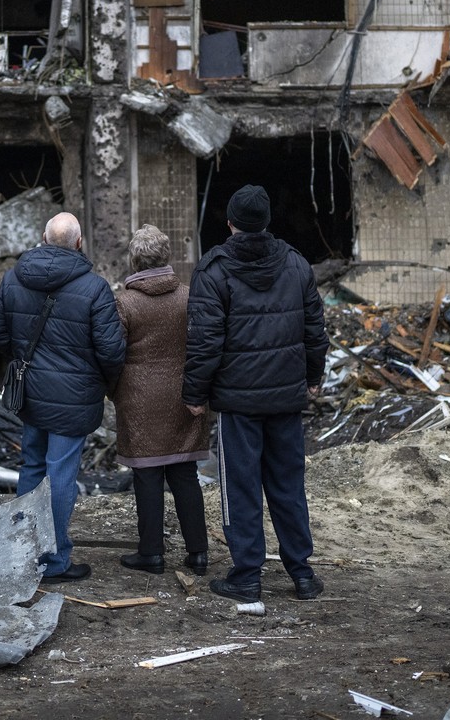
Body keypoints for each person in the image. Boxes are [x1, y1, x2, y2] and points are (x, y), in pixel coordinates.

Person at [184, 184, 329, 603]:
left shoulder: (213, 271)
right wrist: (313, 376)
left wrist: (195, 393)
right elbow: (314, 330)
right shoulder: (297, 265)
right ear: (266, 222)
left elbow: (203, 342)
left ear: (230, 223)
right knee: (288, 485)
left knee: (241, 488)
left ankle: (247, 576)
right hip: (285, 397)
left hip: (238, 403)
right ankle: (302, 574)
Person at [0, 211, 125, 582]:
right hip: (75, 397)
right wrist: (103, 382)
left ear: (43, 239)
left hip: (30, 392)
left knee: (32, 465)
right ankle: (54, 560)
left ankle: (23, 551)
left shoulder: (13, 278)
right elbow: (112, 351)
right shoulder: (94, 288)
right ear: (79, 243)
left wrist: (22, 358)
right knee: (60, 472)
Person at [111, 224, 211, 576]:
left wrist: (114, 391)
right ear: (166, 256)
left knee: (147, 476)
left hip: (139, 399)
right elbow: (203, 343)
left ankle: (151, 553)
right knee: (185, 473)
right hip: (184, 395)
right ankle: (198, 552)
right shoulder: (189, 296)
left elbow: (113, 353)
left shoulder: (124, 302)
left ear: (135, 260)